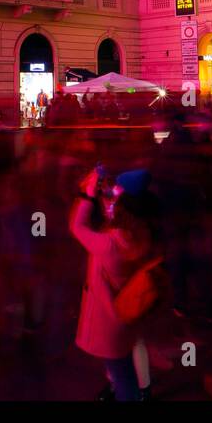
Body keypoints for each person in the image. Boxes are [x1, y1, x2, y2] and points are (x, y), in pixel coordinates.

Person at [70, 168, 157, 401]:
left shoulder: (110, 244)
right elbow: (116, 220)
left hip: (110, 321)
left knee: (123, 377)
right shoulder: (139, 234)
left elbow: (77, 227)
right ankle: (140, 391)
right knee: (124, 366)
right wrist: (102, 196)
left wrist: (87, 195)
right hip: (128, 312)